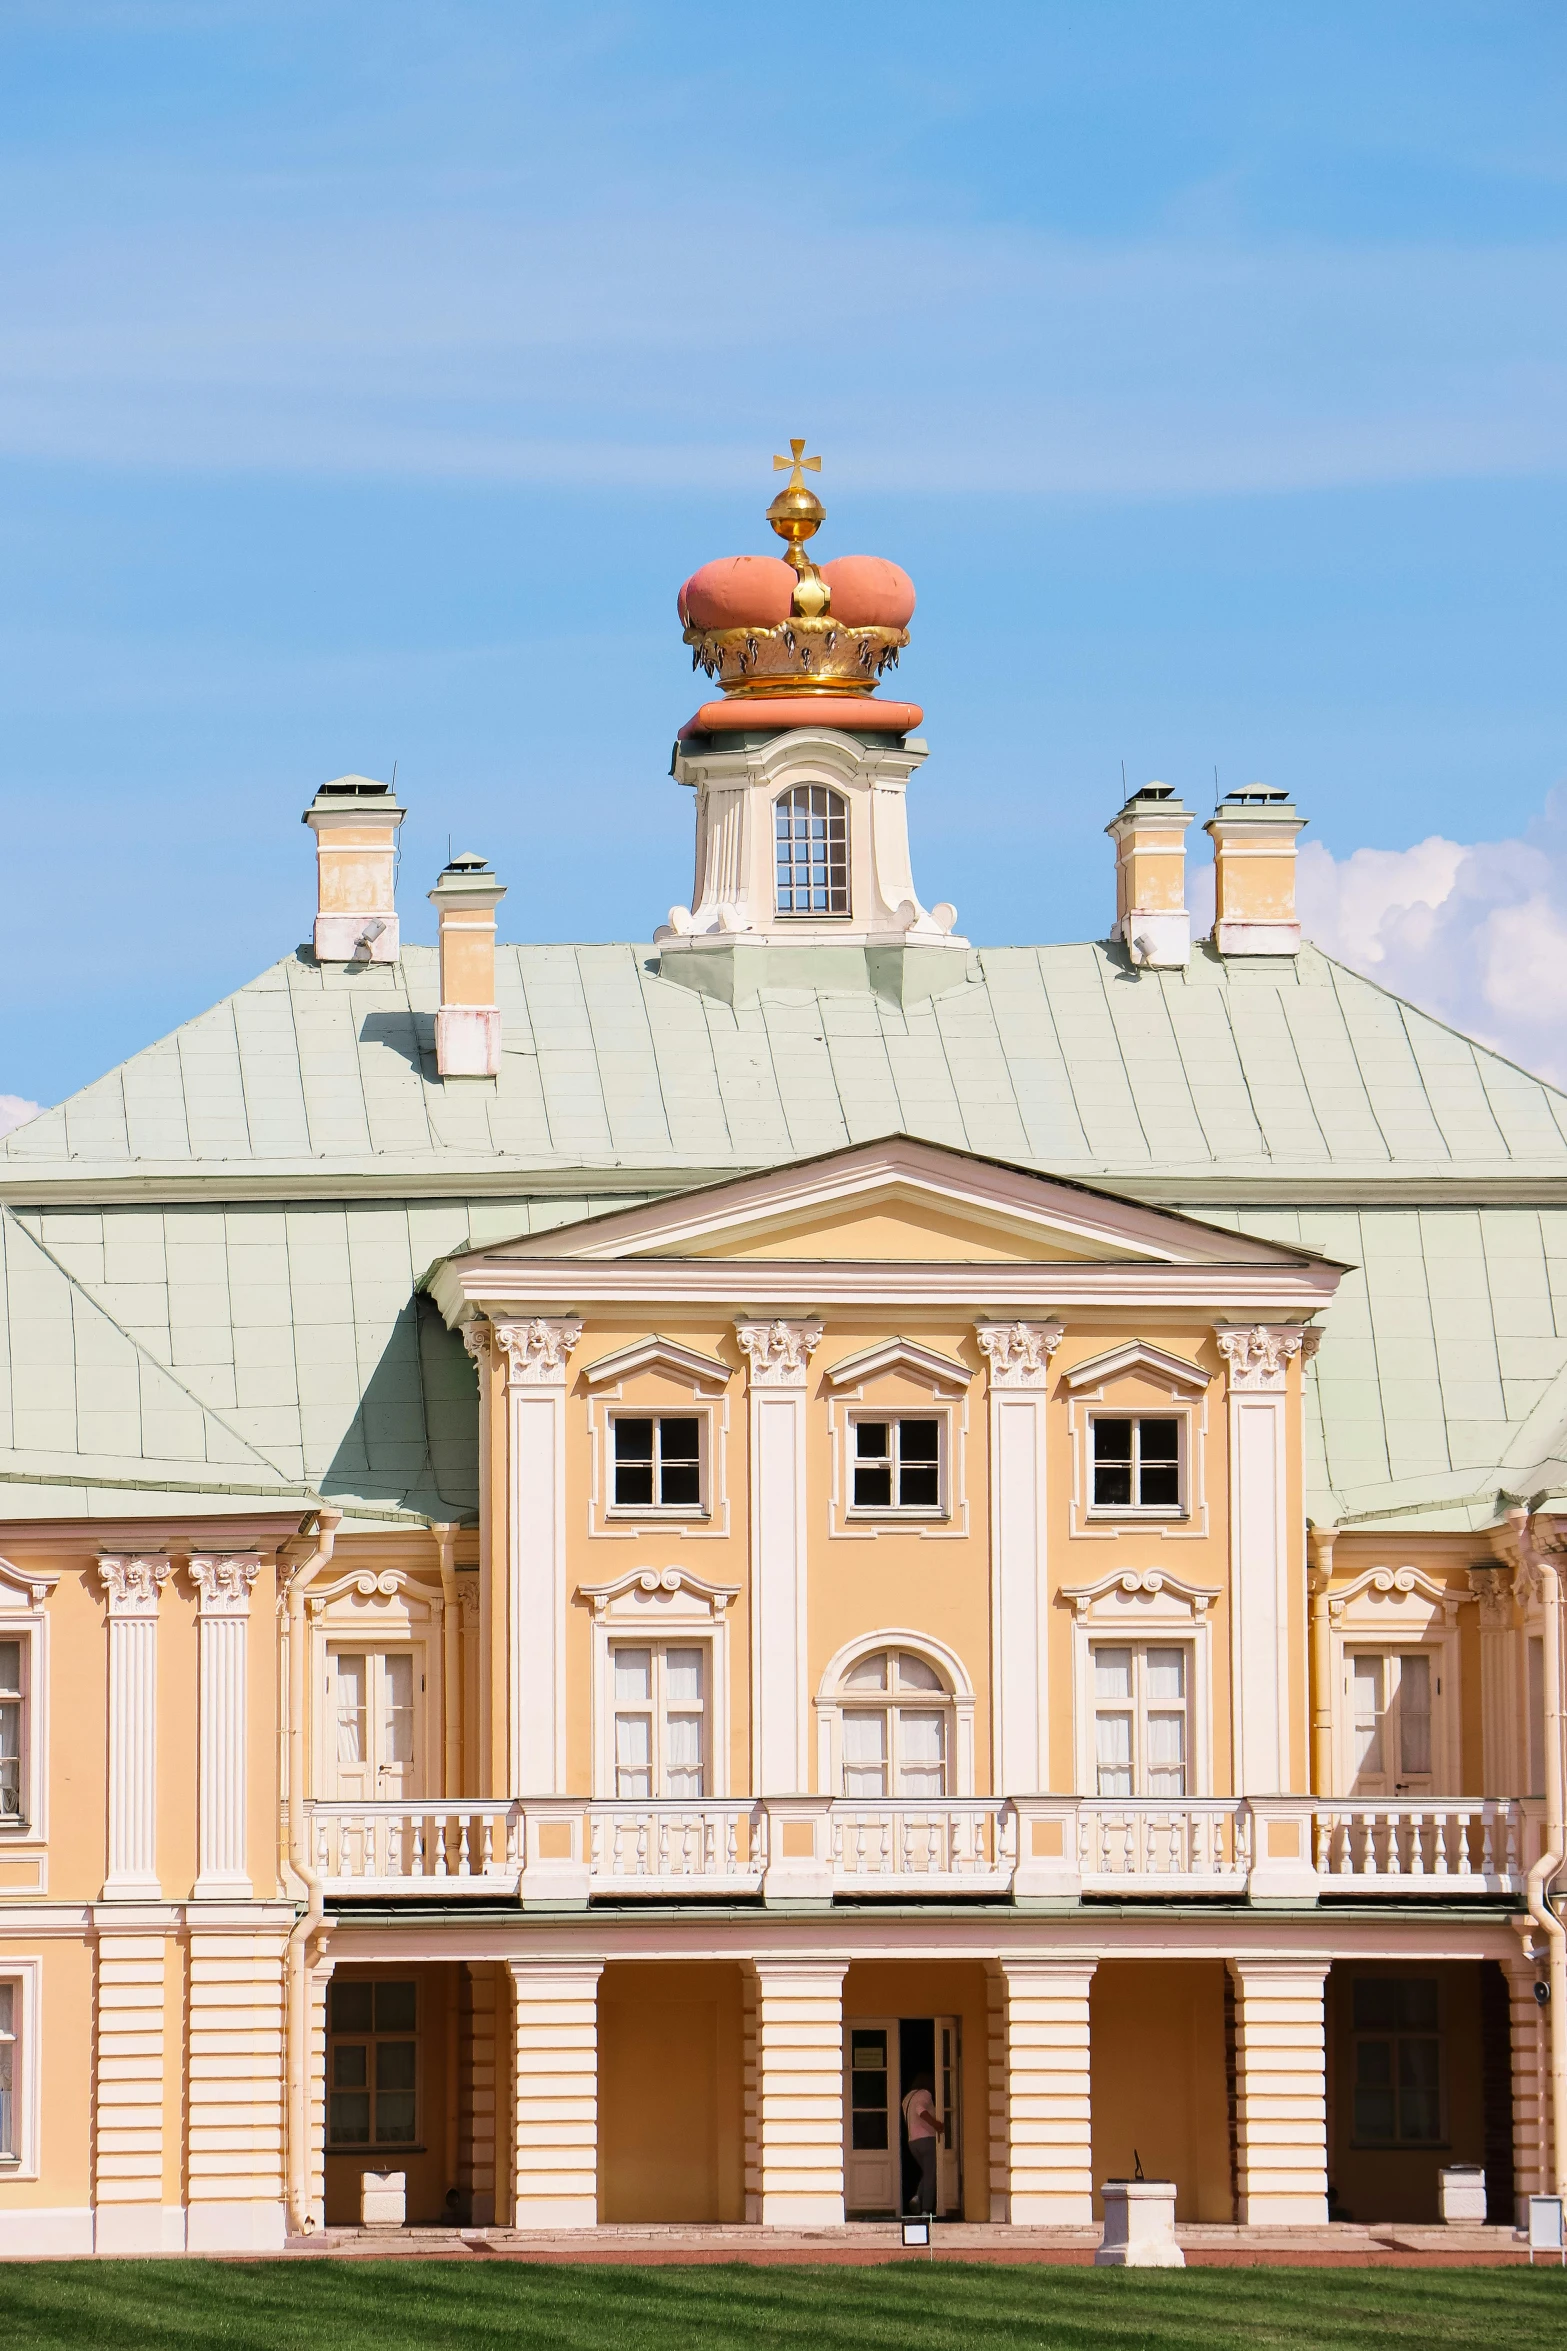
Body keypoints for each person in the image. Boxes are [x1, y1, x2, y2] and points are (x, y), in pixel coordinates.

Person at [901, 2074, 943, 2217]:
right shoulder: (924, 2094)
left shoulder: (907, 2098)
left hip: (913, 2141)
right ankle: (926, 2209)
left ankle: (917, 2196)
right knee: (931, 2175)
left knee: (927, 2172)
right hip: (927, 2139)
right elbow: (921, 2110)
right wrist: (936, 2124)